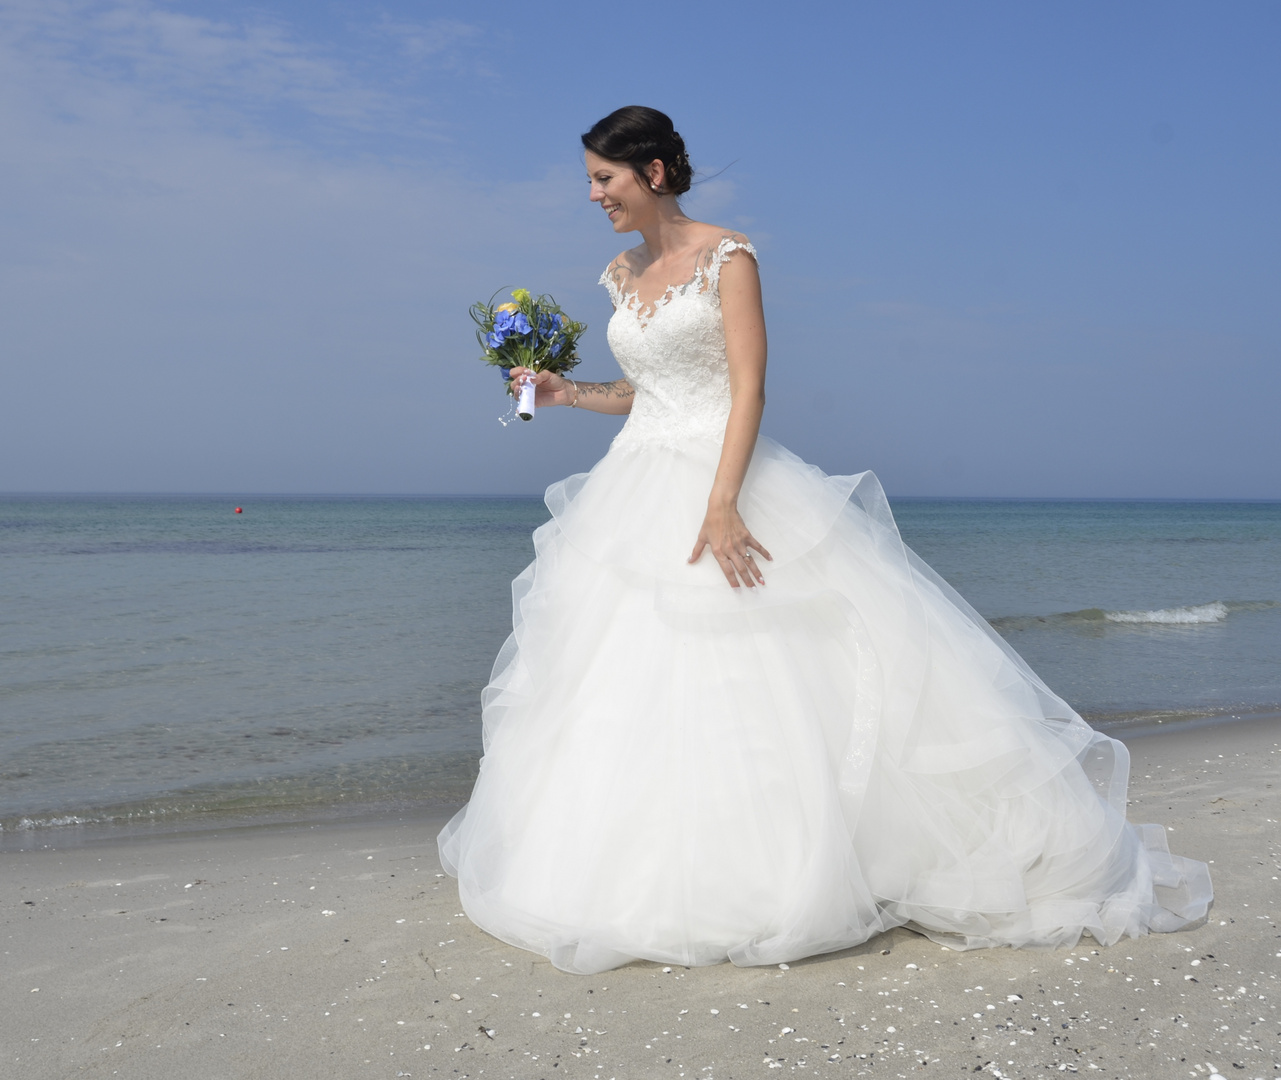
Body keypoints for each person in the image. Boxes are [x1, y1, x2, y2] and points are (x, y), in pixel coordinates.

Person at [438, 106, 1212, 975]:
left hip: (722, 476)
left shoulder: (728, 256)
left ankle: (809, 867)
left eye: (603, 179)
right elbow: (648, 388)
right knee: (621, 679)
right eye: (590, 180)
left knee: (762, 667)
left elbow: (746, 386)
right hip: (634, 483)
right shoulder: (622, 272)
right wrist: (564, 390)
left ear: (652, 172)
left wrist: (724, 504)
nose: (593, 196)